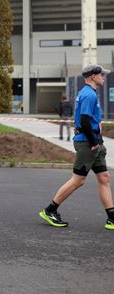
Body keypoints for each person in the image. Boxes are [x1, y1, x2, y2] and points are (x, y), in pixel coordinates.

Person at [39, 64, 114, 231]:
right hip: (88, 143)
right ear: (93, 76)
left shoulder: (89, 93)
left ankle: (112, 218)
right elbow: (86, 120)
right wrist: (94, 142)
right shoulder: (88, 94)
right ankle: (50, 210)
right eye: (101, 75)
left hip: (94, 141)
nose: (103, 77)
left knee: (104, 178)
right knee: (78, 180)